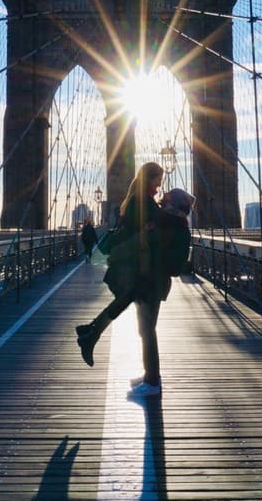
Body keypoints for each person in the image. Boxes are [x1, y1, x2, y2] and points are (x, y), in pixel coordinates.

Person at [75, 162, 194, 398]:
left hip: (149, 275)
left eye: (167, 196)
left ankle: (151, 380)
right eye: (158, 180)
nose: (161, 189)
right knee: (143, 326)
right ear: (148, 179)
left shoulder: (153, 212)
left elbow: (156, 241)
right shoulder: (152, 209)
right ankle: (94, 336)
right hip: (146, 273)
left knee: (145, 326)